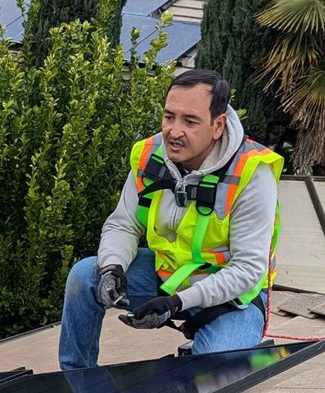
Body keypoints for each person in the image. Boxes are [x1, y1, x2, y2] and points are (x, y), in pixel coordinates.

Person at [59, 69, 283, 370]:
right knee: (86, 275)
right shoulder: (149, 156)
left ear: (218, 126)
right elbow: (123, 224)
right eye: (169, 117)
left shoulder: (251, 174)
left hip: (232, 300)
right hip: (167, 276)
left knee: (210, 373)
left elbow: (247, 271)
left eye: (190, 121)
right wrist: (113, 268)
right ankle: (76, 378)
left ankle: (214, 344)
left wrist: (177, 303)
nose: (174, 132)